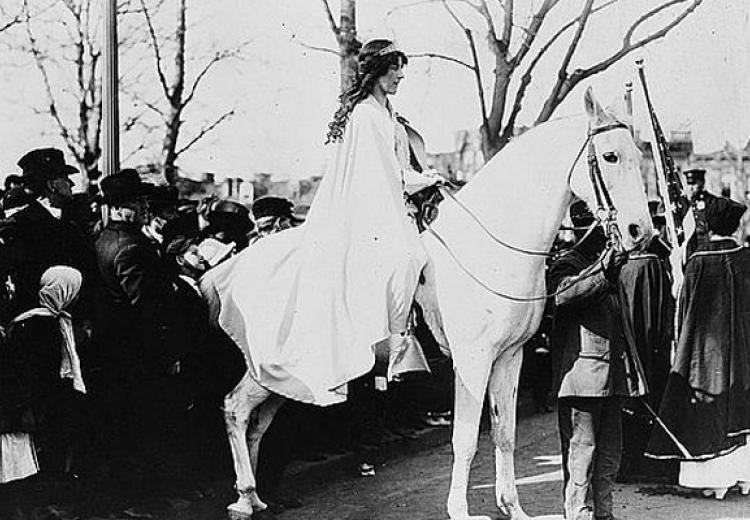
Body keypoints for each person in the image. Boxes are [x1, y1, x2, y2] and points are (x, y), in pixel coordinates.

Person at [201, 38, 442, 405]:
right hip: (369, 208)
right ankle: (393, 345)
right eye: (395, 69)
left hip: (392, 203)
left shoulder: (389, 113)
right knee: (408, 256)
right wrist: (421, 181)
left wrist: (429, 177)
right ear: (378, 71)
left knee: (420, 253)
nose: (401, 76)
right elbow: (379, 175)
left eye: (401, 69)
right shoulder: (364, 115)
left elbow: (400, 169)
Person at [646, 196, 750, 498]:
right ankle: (744, 478)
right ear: (737, 225)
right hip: (743, 350)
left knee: (709, 410)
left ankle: (716, 480)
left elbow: (682, 307)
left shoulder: (697, 261)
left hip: (704, 353)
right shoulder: (746, 258)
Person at [547, 201, 640, 520]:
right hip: (582, 378)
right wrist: (605, 264)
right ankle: (579, 513)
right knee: (581, 454)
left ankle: (604, 513)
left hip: (612, 376)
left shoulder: (607, 264)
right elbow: (564, 295)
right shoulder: (567, 263)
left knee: (610, 454)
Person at [0, 148, 96, 323]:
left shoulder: (71, 225)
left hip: (74, 322)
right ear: (51, 185)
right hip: (35, 325)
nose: (71, 184)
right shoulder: (19, 227)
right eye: (65, 179)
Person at [684, 168, 717, 255]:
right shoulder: (685, 202)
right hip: (689, 246)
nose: (691, 187)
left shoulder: (710, 201)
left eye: (694, 184)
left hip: (706, 245)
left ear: (702, 183)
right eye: (688, 184)